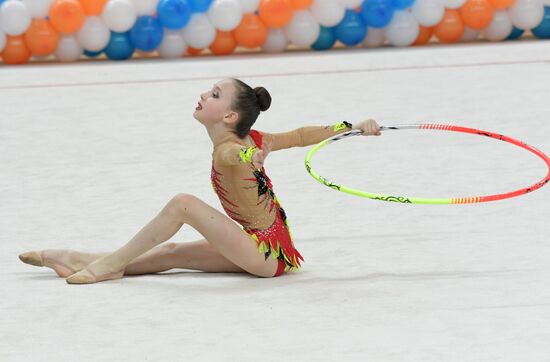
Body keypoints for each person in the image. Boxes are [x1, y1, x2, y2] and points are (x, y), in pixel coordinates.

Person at [18, 78, 382, 284]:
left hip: (265, 252)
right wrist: (252, 155)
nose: (204, 95)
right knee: (169, 254)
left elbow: (298, 135)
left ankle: (107, 266)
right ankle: (71, 258)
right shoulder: (245, 143)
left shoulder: (236, 147)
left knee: (183, 204)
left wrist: (350, 128)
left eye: (214, 95)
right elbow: (285, 140)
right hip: (262, 248)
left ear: (229, 115)